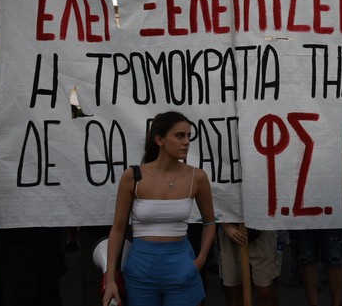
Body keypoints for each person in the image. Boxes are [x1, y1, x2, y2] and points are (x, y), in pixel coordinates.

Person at [102, 111, 216, 306]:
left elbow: (210, 222)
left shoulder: (197, 177)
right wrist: (110, 279)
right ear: (159, 140)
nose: (186, 142)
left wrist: (200, 261)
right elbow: (118, 228)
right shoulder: (133, 176)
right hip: (140, 270)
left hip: (182, 267)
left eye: (188, 136)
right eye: (179, 136)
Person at [217, 224, 281, 306]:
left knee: (264, 290)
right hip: (229, 226)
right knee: (233, 288)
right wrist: (226, 226)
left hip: (263, 227)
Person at [289, 227, 342, 306]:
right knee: (307, 258)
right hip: (302, 222)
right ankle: (313, 304)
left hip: (334, 221)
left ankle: (337, 304)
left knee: (335, 257)